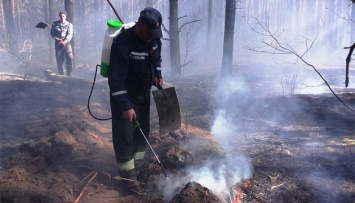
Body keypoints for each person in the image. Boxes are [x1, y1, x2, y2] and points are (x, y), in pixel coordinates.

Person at [107, 7, 163, 194]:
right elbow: (115, 79)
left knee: (143, 132)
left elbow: (157, 58)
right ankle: (128, 179)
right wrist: (125, 106)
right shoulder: (123, 43)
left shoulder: (153, 38)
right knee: (125, 137)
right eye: (149, 33)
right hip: (125, 97)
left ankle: (138, 169)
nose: (151, 37)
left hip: (143, 95)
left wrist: (158, 74)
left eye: (154, 34)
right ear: (139, 26)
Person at [50, 10, 74, 76]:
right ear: (59, 16)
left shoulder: (69, 25)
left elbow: (70, 34)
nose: (62, 17)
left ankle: (69, 74)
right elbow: (52, 34)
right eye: (61, 16)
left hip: (67, 44)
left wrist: (65, 41)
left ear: (66, 16)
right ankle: (61, 74)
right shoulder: (54, 24)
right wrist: (58, 39)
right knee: (59, 59)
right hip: (58, 44)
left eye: (63, 16)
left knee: (69, 57)